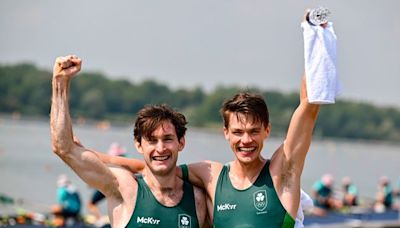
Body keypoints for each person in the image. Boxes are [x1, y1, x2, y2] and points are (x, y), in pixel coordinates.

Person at [99, 12, 335, 227]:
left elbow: (308, 107)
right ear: (226, 133)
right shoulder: (212, 176)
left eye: (254, 131)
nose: (246, 140)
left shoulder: (281, 172)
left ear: (267, 130)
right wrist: (88, 153)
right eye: (238, 132)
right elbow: (156, 167)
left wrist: (315, 37)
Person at [50, 55, 208, 227]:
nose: (160, 148)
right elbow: (63, 148)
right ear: (139, 145)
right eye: (152, 141)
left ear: (181, 142)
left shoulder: (198, 200)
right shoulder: (123, 188)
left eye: (168, 139)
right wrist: (60, 83)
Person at [86, 142, 127, 227]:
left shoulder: (111, 162)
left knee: (91, 204)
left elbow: (102, 174)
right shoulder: (126, 163)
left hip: (108, 185)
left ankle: (100, 220)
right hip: (120, 186)